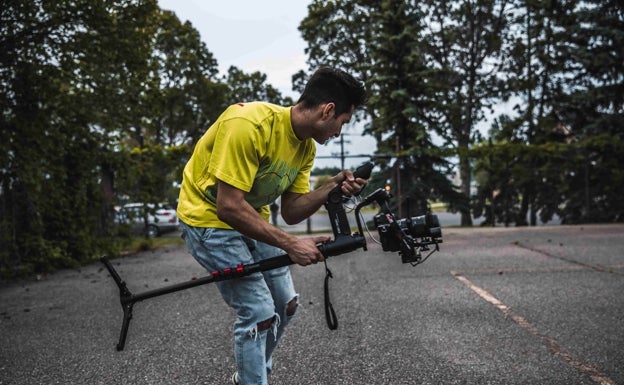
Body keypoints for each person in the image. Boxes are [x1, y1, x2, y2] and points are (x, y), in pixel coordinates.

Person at [176, 67, 367, 385]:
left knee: (285, 303)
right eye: (342, 123)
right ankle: (254, 379)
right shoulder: (249, 124)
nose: (339, 132)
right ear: (328, 110)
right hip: (207, 218)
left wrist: (330, 186)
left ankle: (251, 375)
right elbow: (228, 206)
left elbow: (292, 211)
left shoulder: (305, 147)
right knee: (259, 311)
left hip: (248, 217)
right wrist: (291, 244)